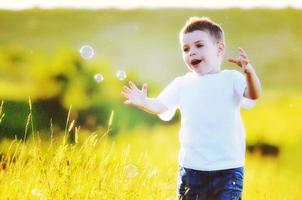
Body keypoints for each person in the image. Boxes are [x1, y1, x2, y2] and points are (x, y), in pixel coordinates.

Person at [121, 16, 262, 200]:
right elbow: (162, 105)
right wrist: (144, 102)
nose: (191, 52)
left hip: (228, 169)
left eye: (199, 45)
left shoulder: (232, 79)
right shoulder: (182, 84)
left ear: (219, 49)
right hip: (192, 169)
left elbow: (253, 94)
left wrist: (249, 73)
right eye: (185, 49)